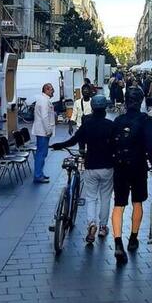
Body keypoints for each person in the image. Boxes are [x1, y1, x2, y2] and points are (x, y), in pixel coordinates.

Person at [52, 94, 114, 243]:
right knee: (105, 198)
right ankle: (103, 227)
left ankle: (91, 224)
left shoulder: (87, 124)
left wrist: (59, 145)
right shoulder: (110, 125)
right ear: (105, 108)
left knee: (91, 198)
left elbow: (74, 140)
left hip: (91, 165)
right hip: (107, 166)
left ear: (92, 107)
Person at [111, 86, 152, 265]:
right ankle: (133, 238)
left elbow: (111, 143)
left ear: (125, 101)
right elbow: (149, 144)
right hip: (138, 166)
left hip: (120, 167)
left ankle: (117, 242)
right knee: (137, 202)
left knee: (118, 205)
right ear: (141, 101)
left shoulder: (118, 120)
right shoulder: (145, 120)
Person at [31, 83, 55, 184]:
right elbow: (45, 117)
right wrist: (48, 130)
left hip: (41, 131)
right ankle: (38, 175)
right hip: (43, 131)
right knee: (41, 153)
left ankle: (40, 173)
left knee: (42, 153)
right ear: (46, 90)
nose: (53, 91)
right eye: (52, 90)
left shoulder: (43, 100)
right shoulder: (44, 101)